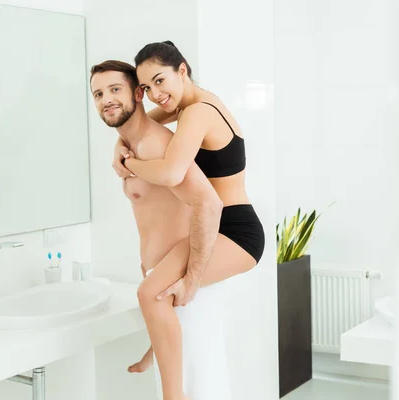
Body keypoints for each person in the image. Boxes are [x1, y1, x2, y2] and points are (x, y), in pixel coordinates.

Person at [111, 41, 265, 400]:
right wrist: (119, 144)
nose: (155, 94)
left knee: (151, 291)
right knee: (155, 278)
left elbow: (170, 172)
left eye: (161, 81)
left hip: (237, 233)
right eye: (147, 88)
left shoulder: (197, 113)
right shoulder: (192, 104)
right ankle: (160, 344)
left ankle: (172, 394)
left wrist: (127, 164)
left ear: (183, 69)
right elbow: (138, 125)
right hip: (215, 227)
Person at [90, 60, 230, 400]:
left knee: (197, 389)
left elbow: (208, 203)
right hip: (162, 281)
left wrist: (191, 276)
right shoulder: (132, 147)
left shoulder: (157, 146)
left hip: (179, 286)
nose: (105, 99)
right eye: (97, 93)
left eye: (114, 90)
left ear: (139, 95)